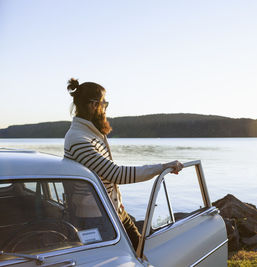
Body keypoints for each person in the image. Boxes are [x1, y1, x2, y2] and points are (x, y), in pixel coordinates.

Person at [63, 78, 183, 249]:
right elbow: (116, 174)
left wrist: (117, 199)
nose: (105, 108)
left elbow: (105, 177)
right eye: (104, 104)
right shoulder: (78, 139)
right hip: (95, 218)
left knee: (141, 252)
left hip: (113, 210)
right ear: (93, 105)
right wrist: (162, 167)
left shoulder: (92, 134)